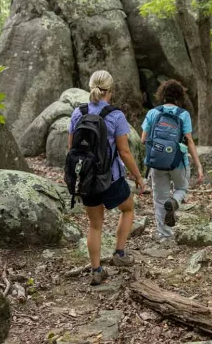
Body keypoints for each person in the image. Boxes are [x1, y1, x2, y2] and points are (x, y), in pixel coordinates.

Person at [68, 70, 145, 286]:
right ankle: (119, 253)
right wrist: (138, 176)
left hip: (86, 179)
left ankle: (96, 271)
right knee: (128, 207)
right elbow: (125, 152)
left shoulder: (78, 113)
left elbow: (71, 148)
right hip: (110, 178)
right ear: (110, 91)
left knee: (95, 225)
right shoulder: (115, 115)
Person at [141, 79, 203, 241]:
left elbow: (143, 139)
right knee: (182, 187)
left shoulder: (153, 113)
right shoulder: (183, 115)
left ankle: (164, 236)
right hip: (178, 161)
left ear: (162, 95)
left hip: (157, 162)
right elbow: (189, 141)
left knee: (159, 198)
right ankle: (174, 201)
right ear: (179, 96)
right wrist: (199, 165)